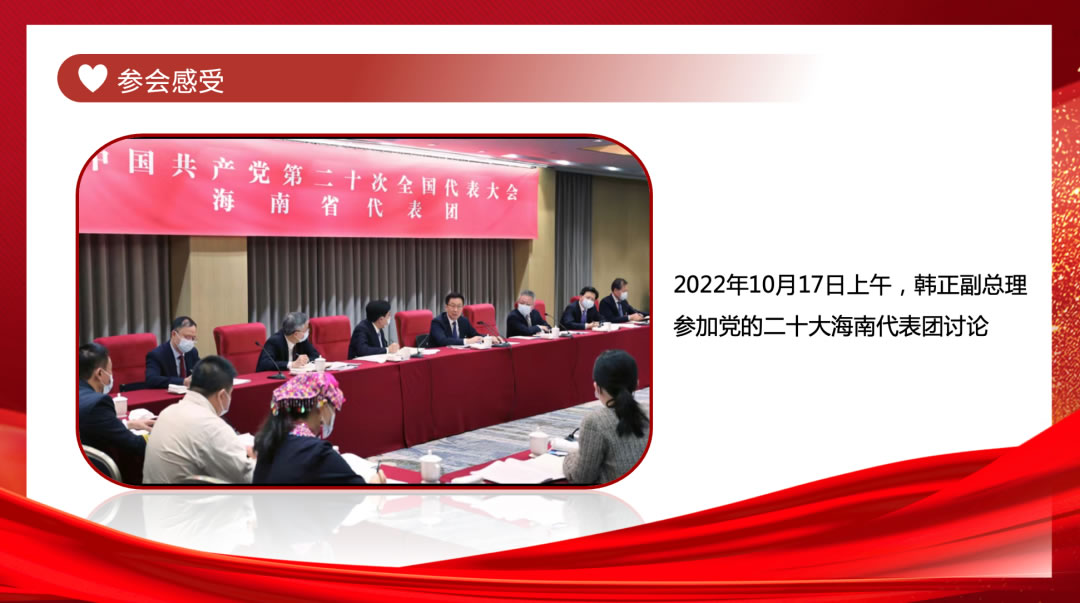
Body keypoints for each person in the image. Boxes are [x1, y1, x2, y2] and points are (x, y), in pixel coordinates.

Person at [253, 372, 386, 485]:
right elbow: (359, 493)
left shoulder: (271, 440)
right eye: (333, 409)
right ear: (322, 407)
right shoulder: (317, 452)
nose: (333, 415)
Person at [143, 356, 255, 484]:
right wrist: (255, 459)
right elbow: (248, 478)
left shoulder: (167, 412)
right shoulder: (211, 426)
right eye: (230, 393)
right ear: (222, 395)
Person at [563, 350, 649, 485]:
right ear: (636, 384)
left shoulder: (595, 422)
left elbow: (581, 478)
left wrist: (568, 458)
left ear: (597, 387)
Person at [79, 343, 155, 463]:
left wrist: (127, 424)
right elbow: (135, 445)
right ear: (99, 373)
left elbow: (95, 424)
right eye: (110, 371)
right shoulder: (98, 403)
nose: (111, 376)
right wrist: (163, 436)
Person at [145, 316, 200, 389]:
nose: (190, 341)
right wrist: (182, 381)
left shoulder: (192, 352)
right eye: (187, 337)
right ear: (174, 334)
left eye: (193, 338)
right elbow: (151, 380)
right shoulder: (157, 355)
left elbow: (201, 370)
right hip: (166, 394)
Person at [257, 311, 322, 372]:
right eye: (306, 329)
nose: (308, 332)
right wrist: (292, 364)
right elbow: (264, 364)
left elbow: (316, 356)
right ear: (296, 334)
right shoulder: (275, 341)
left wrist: (306, 360)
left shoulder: (302, 340)